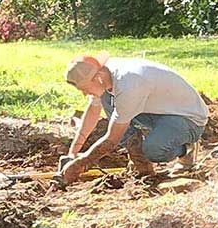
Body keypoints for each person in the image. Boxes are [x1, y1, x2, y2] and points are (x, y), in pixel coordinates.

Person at [57, 52, 209, 189]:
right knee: (108, 101)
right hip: (159, 109)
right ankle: (141, 163)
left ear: (98, 78)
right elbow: (92, 111)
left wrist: (80, 164)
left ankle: (185, 151)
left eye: (85, 88)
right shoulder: (105, 74)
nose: (84, 93)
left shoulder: (129, 84)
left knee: (153, 151)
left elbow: (112, 140)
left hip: (188, 118)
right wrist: (73, 153)